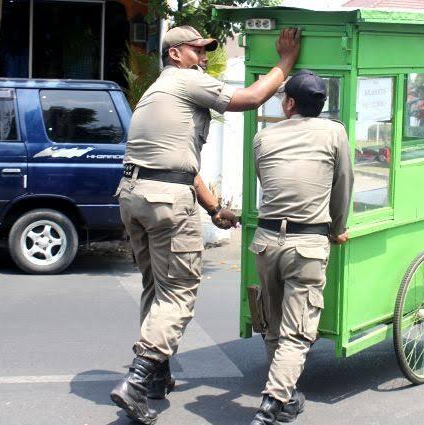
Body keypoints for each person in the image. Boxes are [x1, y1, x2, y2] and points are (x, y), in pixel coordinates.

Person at [110, 25, 301, 425]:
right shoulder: (186, 80)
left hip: (134, 194)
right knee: (179, 292)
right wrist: (285, 61)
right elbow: (250, 98)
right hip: (164, 200)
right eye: (196, 50)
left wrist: (215, 210)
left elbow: (183, 165)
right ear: (175, 53)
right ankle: (137, 379)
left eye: (204, 51)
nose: (203, 57)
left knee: (156, 286)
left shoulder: (158, 90)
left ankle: (158, 375)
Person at [247, 70, 354, 425]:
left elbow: (268, 183)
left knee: (275, 325)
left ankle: (286, 394)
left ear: (290, 103)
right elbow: (342, 185)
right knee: (296, 333)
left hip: (265, 241)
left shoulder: (263, 138)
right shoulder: (335, 132)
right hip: (307, 244)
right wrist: (337, 229)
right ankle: (272, 403)